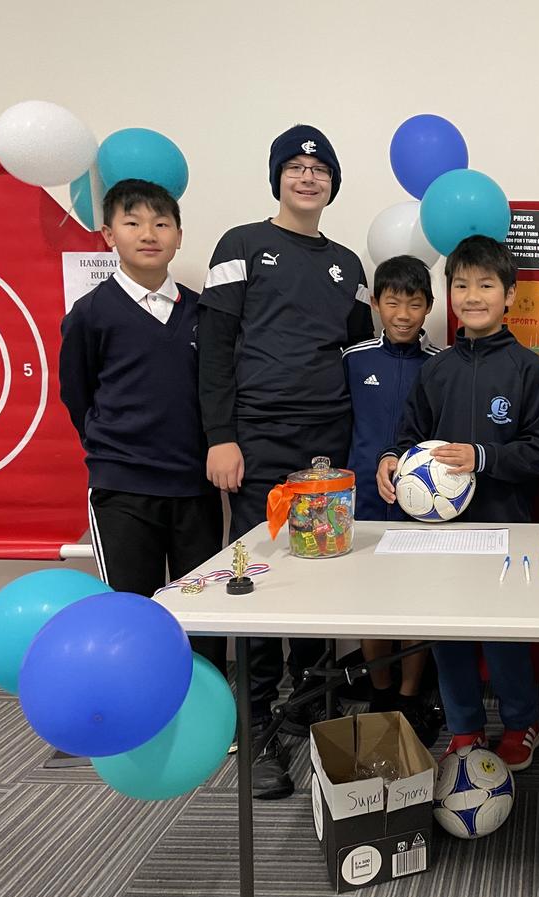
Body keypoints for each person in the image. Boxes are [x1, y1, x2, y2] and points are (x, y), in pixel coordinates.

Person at [198, 124, 374, 800]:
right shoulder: (241, 245)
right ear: (277, 178)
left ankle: (308, 698)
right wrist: (221, 436)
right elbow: (215, 349)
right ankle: (258, 724)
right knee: (261, 578)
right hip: (257, 440)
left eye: (319, 168)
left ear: (333, 182)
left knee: (323, 568)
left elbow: (358, 354)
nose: (307, 176)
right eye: (295, 166)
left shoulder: (349, 266)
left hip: (328, 441)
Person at [377, 235, 539, 771]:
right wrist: (391, 460)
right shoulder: (437, 369)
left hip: (505, 526)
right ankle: (464, 728)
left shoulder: (527, 368)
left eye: (486, 285)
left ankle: (522, 722)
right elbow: (409, 434)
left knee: (504, 635)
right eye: (461, 285)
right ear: (449, 294)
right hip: (439, 533)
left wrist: (484, 457)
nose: (473, 296)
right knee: (448, 633)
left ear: (510, 295)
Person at [59, 179, 225, 676]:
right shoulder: (91, 313)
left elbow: (217, 388)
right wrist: (115, 450)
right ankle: (142, 699)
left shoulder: (201, 312)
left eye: (161, 223)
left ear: (179, 236)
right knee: (132, 611)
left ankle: (208, 700)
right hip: (124, 489)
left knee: (203, 607)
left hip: (194, 486)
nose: (148, 234)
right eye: (132, 223)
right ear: (109, 235)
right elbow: (77, 394)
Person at [342, 254, 440, 743]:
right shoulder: (353, 359)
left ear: (429, 307)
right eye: (393, 302)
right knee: (370, 601)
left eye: (415, 303)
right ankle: (381, 692)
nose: (403, 314)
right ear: (376, 304)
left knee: (417, 599)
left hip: (421, 504)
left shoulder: (439, 363)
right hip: (363, 500)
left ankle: (408, 693)